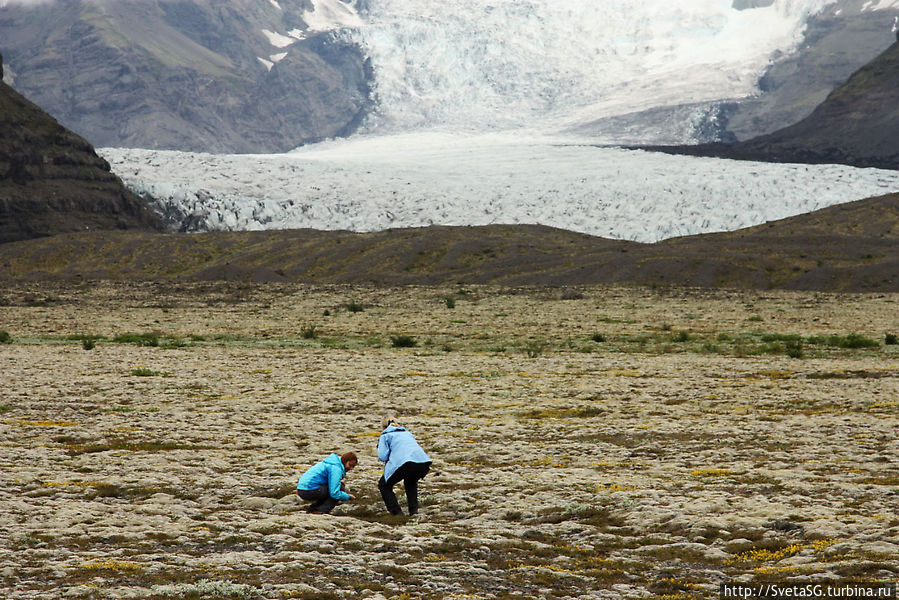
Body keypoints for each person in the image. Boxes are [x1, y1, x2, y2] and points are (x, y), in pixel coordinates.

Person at [377, 416, 432, 515]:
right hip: (423, 461)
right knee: (410, 482)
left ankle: (396, 513)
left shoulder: (385, 435)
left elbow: (382, 456)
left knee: (384, 485)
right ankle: (414, 511)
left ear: (383, 427)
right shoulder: (407, 433)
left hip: (404, 462)